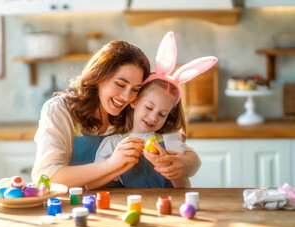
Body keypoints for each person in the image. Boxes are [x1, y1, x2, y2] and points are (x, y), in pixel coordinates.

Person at [31, 37, 202, 188]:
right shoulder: (60, 110)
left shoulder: (131, 109)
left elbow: (179, 148)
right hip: (72, 207)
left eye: (135, 89)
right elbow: (45, 177)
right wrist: (110, 165)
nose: (126, 96)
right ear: (98, 76)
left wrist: (188, 164)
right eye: (120, 84)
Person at [86, 31, 218, 189]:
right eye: (149, 107)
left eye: (162, 114)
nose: (153, 117)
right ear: (134, 101)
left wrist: (170, 169)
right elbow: (91, 184)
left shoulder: (170, 140)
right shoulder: (114, 143)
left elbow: (184, 187)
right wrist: (116, 165)